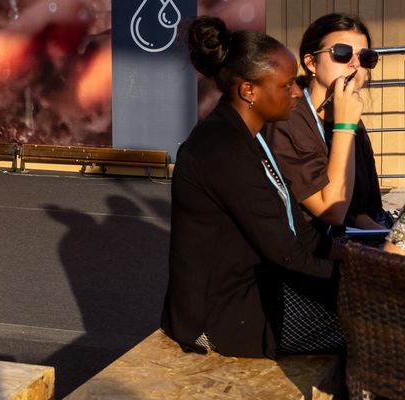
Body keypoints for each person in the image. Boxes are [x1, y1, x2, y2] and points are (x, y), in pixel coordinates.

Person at [162, 17, 351, 358]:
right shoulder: (220, 150)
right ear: (248, 90)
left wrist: (360, 255)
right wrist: (358, 282)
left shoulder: (248, 136)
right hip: (223, 315)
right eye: (288, 84)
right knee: (372, 327)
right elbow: (287, 253)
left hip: (259, 288)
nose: (297, 92)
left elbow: (302, 236)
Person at [266, 13, 389, 234]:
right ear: (311, 62)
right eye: (342, 53)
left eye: (365, 57)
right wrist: (345, 128)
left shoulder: (353, 123)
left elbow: (362, 213)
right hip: (304, 256)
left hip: (350, 250)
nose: (355, 64)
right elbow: (331, 210)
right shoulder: (287, 120)